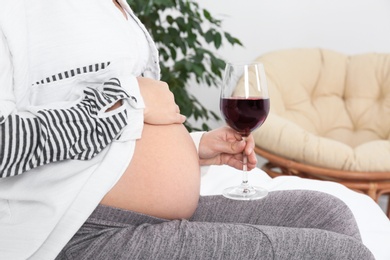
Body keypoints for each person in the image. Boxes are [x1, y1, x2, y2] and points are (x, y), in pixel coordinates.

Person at [0, 0, 374, 259]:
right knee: (344, 256)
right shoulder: (16, 12)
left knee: (328, 214)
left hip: (140, 214)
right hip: (75, 232)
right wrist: (128, 98)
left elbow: (130, 133)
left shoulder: (118, 12)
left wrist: (193, 147)